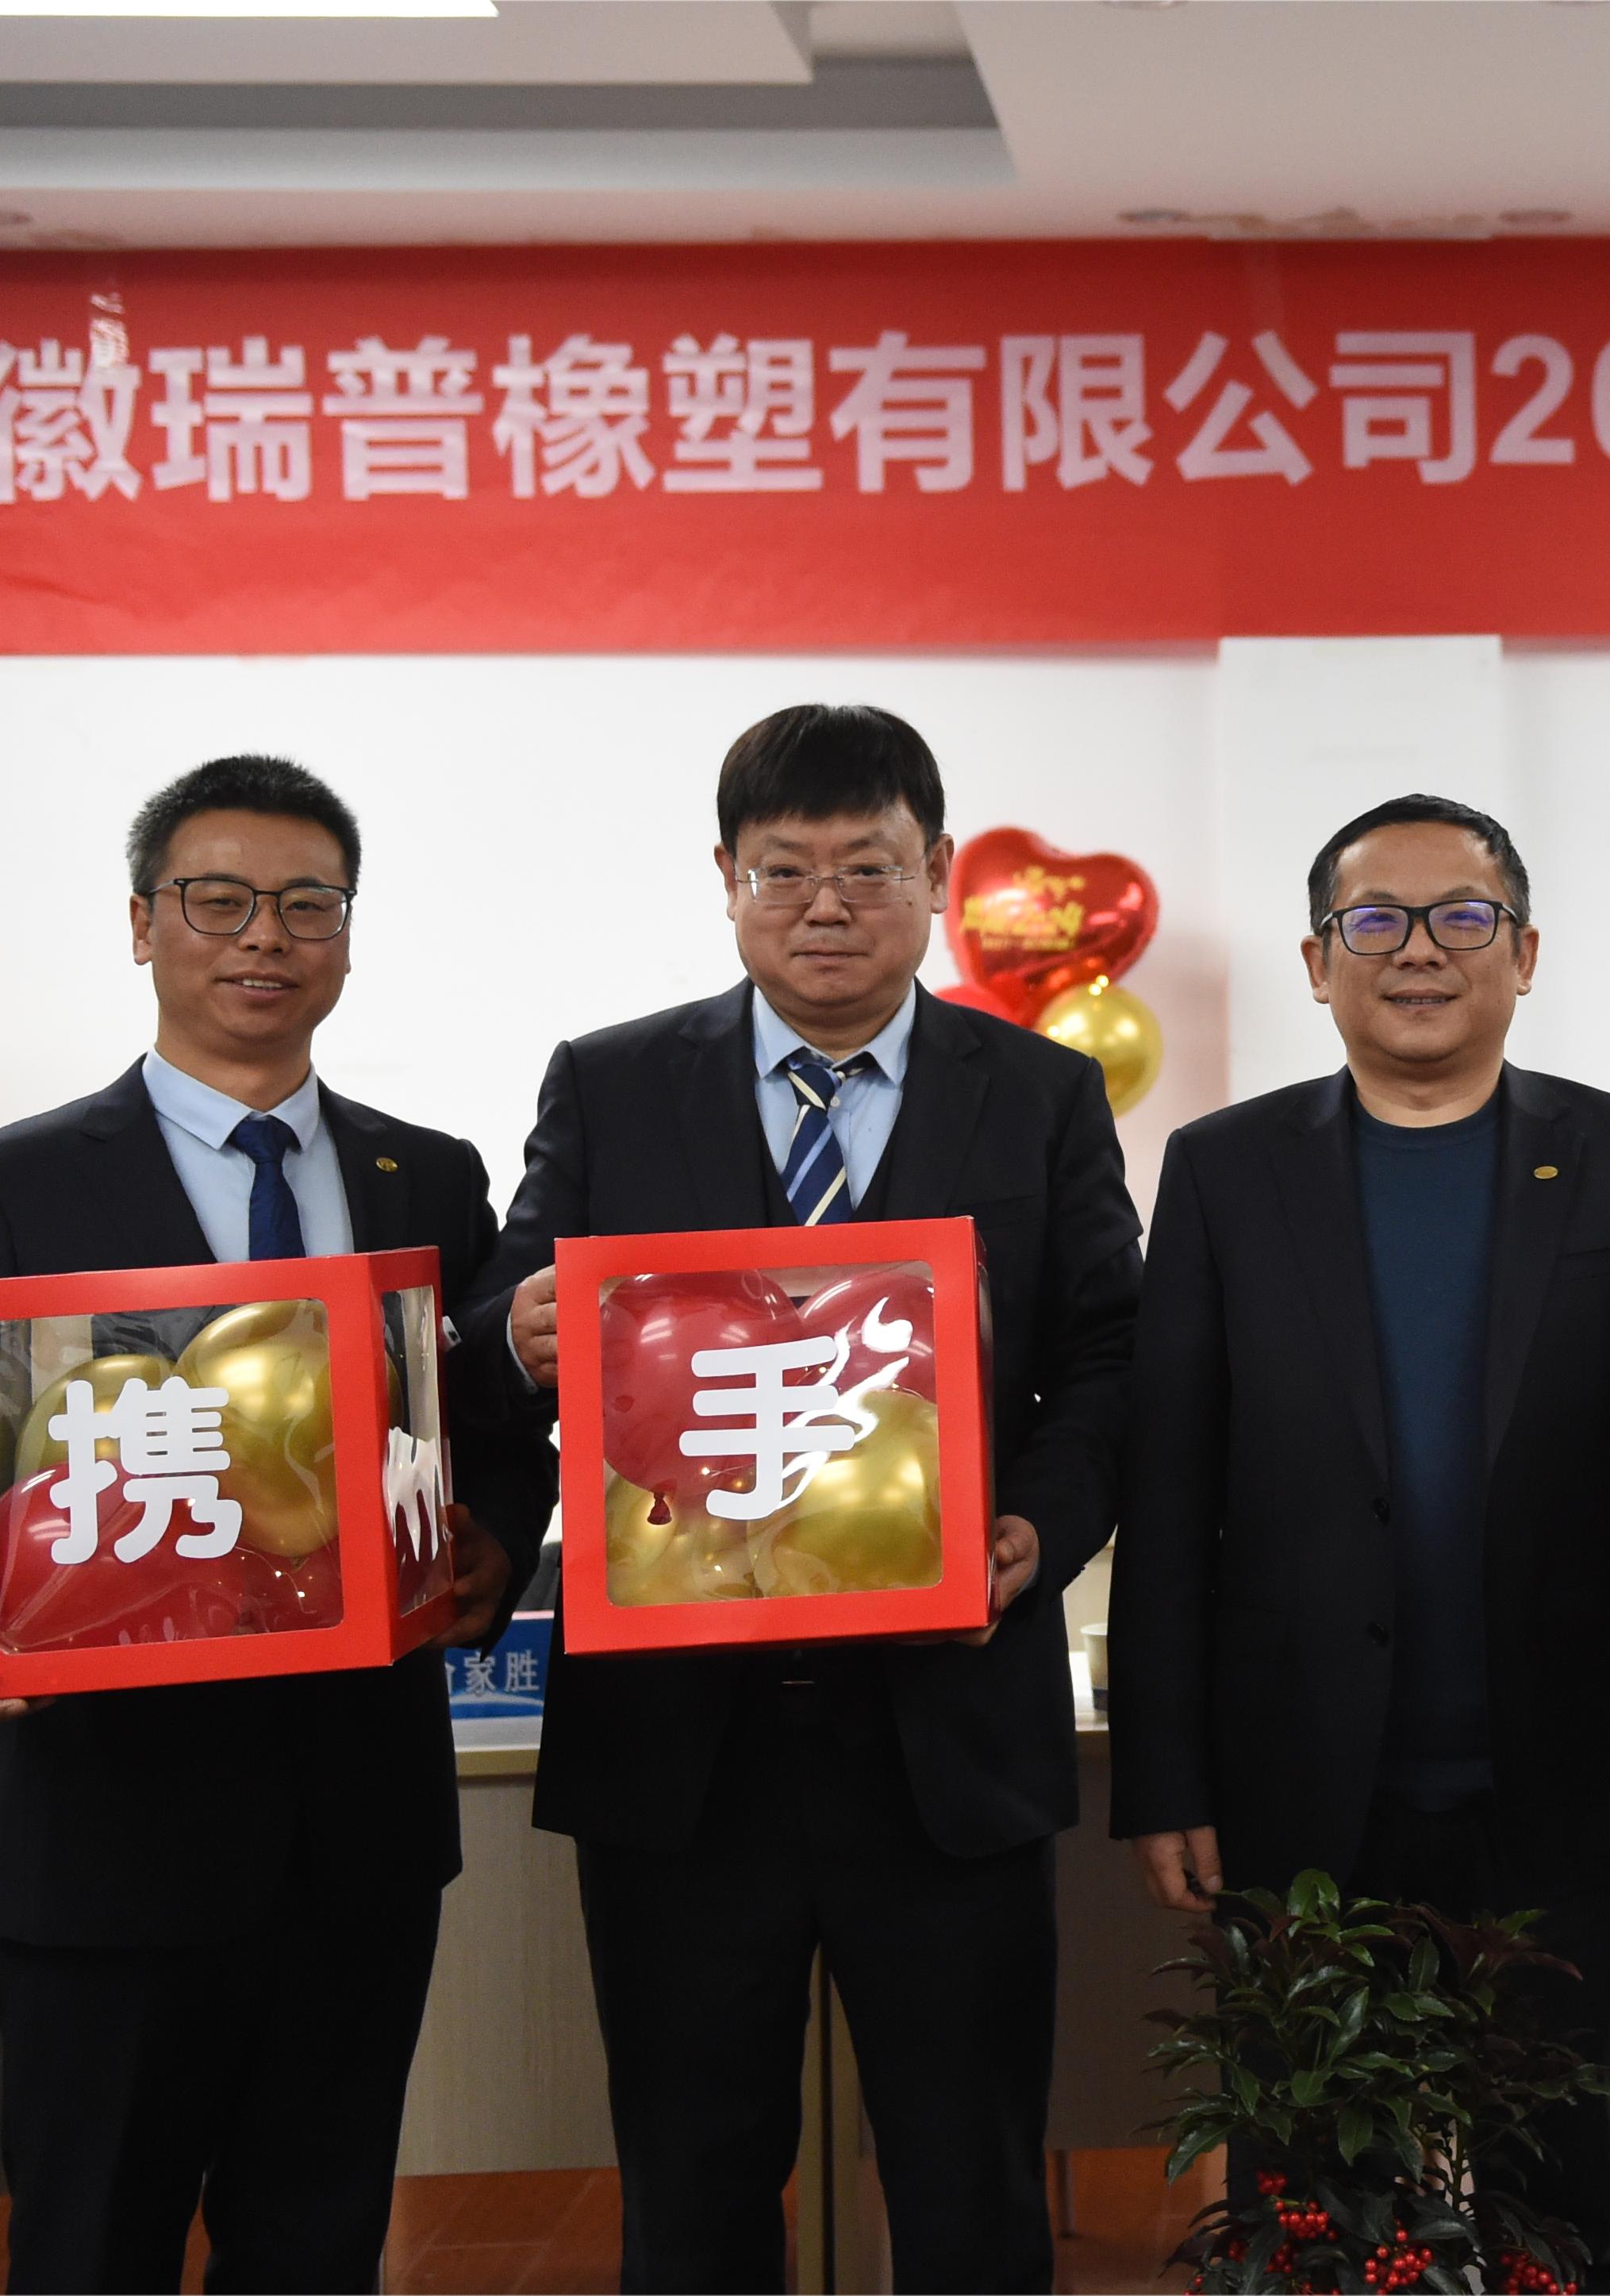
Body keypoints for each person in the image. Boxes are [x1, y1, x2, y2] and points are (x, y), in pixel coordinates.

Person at [0, 755, 546, 2293]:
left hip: (358, 1835)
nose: (264, 936)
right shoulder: (10, 1184)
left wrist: (494, 1540)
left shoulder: (426, 1175)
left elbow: (492, 1426)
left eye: (307, 903)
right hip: (109, 1837)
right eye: (218, 899)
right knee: (91, 2250)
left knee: (317, 2249)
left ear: (347, 933)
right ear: (142, 924)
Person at [461, 702, 1141, 2295]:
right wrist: (516, 1332)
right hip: (682, 1754)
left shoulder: (1037, 1092)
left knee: (971, 2188)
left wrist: (1038, 1530)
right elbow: (508, 1312)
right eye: (785, 869)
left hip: (947, 1739)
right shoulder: (613, 1082)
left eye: (867, 866)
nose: (826, 904)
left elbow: (1111, 1359)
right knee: (691, 2187)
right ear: (725, 877)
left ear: (937, 872)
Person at [1109, 794, 1610, 2292]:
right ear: (1316, 960)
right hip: (1298, 1793)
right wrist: (1164, 1776)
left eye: (1463, 916)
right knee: (1311, 2211)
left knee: (1565, 2201)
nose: (1418, 950)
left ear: (1523, 953)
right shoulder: (1221, 1172)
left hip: (1564, 1784)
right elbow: (1170, 1491)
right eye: (1374, 920)